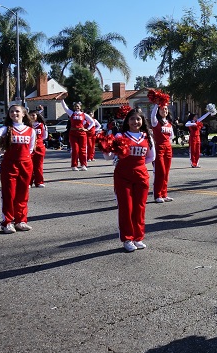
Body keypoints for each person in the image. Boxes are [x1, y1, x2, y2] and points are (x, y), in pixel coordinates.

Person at [103, 108, 155, 252]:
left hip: (141, 175)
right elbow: (108, 157)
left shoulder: (147, 136)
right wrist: (105, 148)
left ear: (142, 121)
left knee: (140, 208)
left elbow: (152, 157)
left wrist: (137, 164)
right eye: (132, 119)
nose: (135, 122)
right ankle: (127, 238)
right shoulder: (120, 135)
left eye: (138, 119)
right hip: (123, 176)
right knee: (126, 207)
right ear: (127, 121)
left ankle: (138, 237)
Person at [0, 104, 36, 233]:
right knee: (8, 194)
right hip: (9, 165)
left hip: (26, 164)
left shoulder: (31, 130)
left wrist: (24, 159)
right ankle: (7, 222)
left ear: (24, 114)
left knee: (23, 194)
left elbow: (30, 149)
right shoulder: (5, 129)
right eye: (11, 112)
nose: (14, 113)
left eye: (17, 111)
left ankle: (20, 221)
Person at [60, 97, 94, 171]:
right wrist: (61, 99)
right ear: (74, 107)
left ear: (80, 107)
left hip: (82, 134)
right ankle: (74, 165)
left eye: (78, 106)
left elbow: (92, 122)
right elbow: (65, 107)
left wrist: (87, 129)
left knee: (83, 149)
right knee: (75, 149)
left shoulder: (84, 115)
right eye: (75, 106)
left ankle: (83, 165)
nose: (77, 107)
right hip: (73, 134)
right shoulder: (71, 113)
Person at [150, 102, 174, 203]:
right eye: (162, 109)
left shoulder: (169, 123)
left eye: (166, 109)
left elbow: (171, 137)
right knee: (160, 172)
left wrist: (169, 144)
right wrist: (157, 103)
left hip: (168, 149)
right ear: (158, 111)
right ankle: (157, 195)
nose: (164, 111)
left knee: (166, 173)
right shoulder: (155, 122)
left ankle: (164, 194)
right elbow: (152, 115)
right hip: (158, 148)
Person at [29, 110, 48, 188]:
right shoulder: (27, 125)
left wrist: (38, 141)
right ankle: (28, 182)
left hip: (39, 147)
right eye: (31, 115)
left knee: (39, 165)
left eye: (34, 115)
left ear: (37, 116)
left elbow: (45, 136)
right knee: (29, 166)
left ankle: (39, 181)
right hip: (29, 147)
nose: (32, 117)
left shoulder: (42, 125)